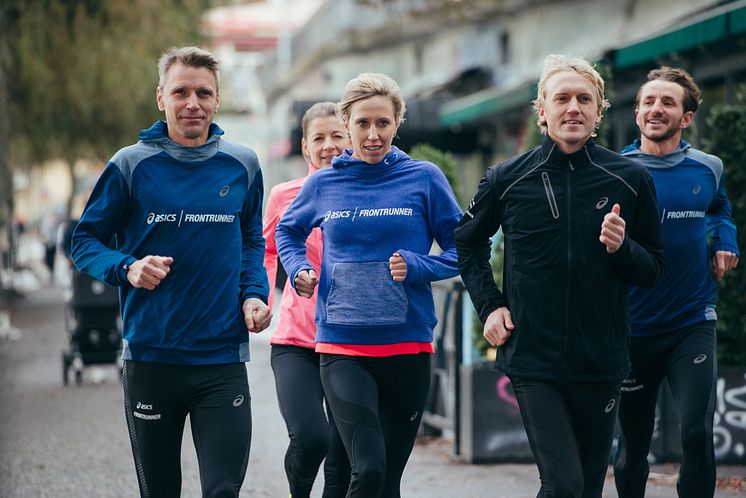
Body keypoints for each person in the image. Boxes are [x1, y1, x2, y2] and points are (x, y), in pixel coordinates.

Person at [454, 54, 665, 498]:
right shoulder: (507, 179)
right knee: (562, 484)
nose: (573, 107)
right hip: (534, 359)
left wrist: (621, 248)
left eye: (584, 99)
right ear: (542, 110)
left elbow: (653, 270)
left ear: (599, 109)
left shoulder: (631, 177)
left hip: (602, 359)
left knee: (587, 487)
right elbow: (467, 243)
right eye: (562, 98)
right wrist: (490, 306)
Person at [71, 46, 272, 498]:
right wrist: (128, 267)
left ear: (217, 100)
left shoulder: (243, 164)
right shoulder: (130, 164)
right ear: (161, 98)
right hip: (152, 359)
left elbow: (250, 241)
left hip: (222, 360)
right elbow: (84, 242)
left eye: (204, 93)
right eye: (181, 92)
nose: (193, 103)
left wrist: (254, 294)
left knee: (223, 490)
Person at [275, 73, 462, 498]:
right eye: (362, 124)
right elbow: (288, 233)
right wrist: (300, 267)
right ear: (347, 123)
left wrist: (419, 266)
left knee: (388, 482)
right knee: (369, 471)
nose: (373, 135)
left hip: (409, 348)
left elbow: (462, 249)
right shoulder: (324, 183)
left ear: (398, 123)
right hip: (344, 349)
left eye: (382, 123)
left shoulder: (424, 178)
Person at [613, 67, 739, 498]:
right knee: (632, 446)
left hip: (691, 323)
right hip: (632, 328)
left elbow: (719, 207)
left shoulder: (708, 168)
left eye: (667, 102)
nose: (655, 109)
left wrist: (725, 239)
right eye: (648, 101)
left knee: (696, 436)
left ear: (686, 117)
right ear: (636, 113)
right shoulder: (617, 171)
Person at [263, 102, 350, 497]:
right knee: (312, 437)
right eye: (319, 138)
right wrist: (259, 299)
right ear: (304, 146)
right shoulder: (284, 196)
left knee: (343, 450)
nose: (329, 145)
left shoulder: (367, 194)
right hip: (296, 340)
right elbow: (262, 250)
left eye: (337, 135)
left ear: (350, 139)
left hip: (351, 339)